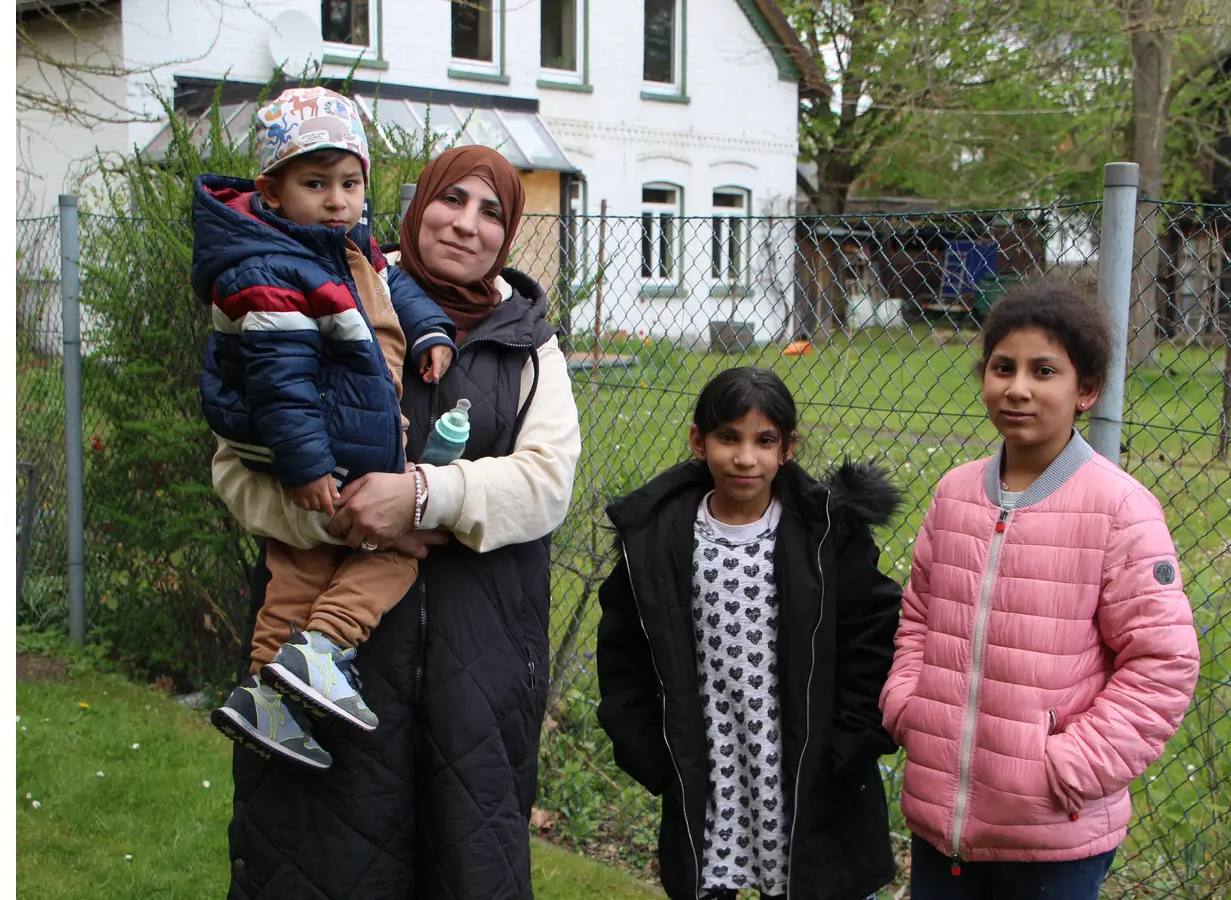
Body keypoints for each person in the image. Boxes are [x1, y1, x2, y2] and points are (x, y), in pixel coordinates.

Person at [212, 145, 582, 899]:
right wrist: (347, 521)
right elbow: (233, 469)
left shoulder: (530, 345)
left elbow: (547, 484)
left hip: (476, 679)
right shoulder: (332, 291)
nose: (466, 225)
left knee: (467, 873)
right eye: (453, 200)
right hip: (326, 674)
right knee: (321, 869)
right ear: (419, 204)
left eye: (492, 212)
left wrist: (422, 496)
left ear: (508, 235)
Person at [878, 283, 1200, 899]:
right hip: (942, 818)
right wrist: (908, 706)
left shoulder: (1119, 509)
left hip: (1052, 834)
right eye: (1003, 367)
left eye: (1043, 371)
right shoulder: (955, 494)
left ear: (1086, 390)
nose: (1017, 388)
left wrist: (1070, 766)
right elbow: (919, 614)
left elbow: (1162, 664)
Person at [193, 86, 458, 769]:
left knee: (298, 562)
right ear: (272, 192)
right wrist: (308, 463)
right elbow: (281, 380)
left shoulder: (340, 248)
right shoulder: (272, 270)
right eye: (316, 183)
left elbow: (391, 284)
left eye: (350, 182)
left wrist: (427, 327)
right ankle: (325, 646)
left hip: (319, 445)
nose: (339, 199)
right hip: (320, 448)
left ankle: (265, 696)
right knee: (396, 548)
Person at [597, 366, 905, 900]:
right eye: (728, 438)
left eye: (764, 441)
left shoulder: (826, 536)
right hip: (711, 765)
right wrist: (654, 753)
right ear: (698, 441)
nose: (745, 458)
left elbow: (871, 640)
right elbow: (623, 650)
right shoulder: (659, 540)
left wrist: (847, 747)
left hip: (805, 771)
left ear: (787, 448)